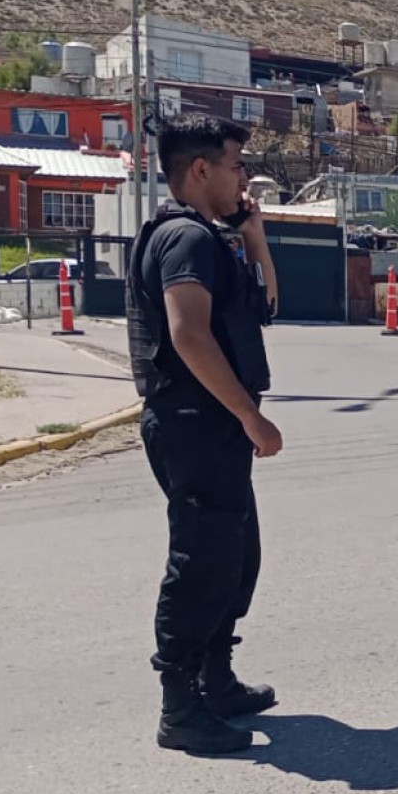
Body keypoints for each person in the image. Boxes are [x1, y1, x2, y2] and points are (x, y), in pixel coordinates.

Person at [125, 114, 283, 755]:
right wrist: (250, 415)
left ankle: (216, 679)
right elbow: (188, 334)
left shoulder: (214, 238)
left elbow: (267, 304)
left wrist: (256, 236)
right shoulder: (186, 240)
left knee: (235, 558)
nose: (243, 177)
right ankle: (181, 708)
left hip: (212, 427)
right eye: (236, 166)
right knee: (199, 565)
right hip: (195, 424)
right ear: (201, 170)